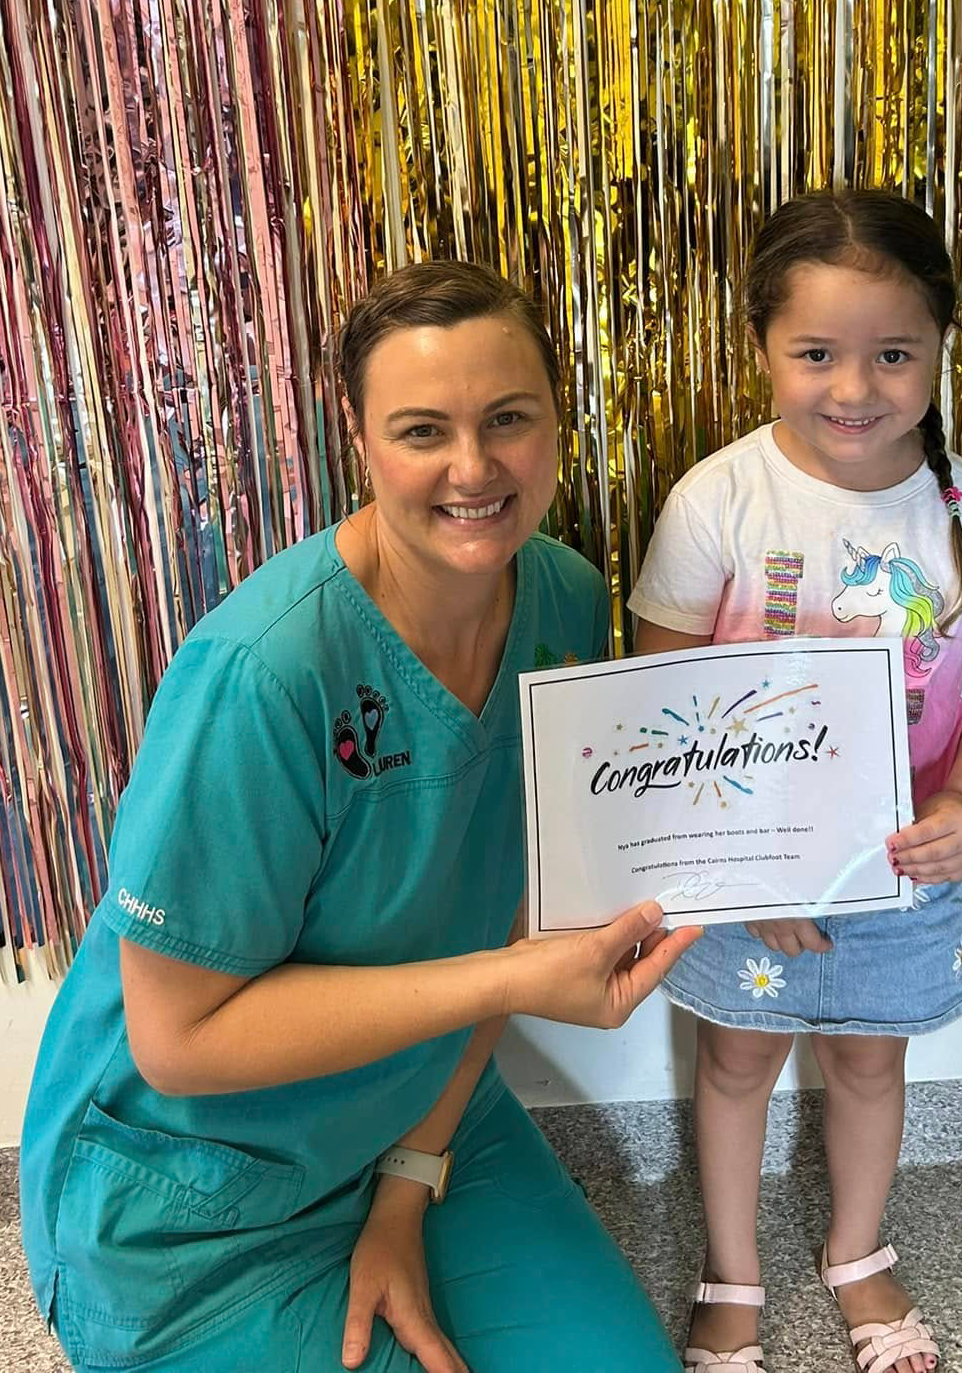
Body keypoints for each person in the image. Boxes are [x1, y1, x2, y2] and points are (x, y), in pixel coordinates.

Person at [20, 261, 702, 1373]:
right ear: (360, 436)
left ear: (558, 421)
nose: (473, 467)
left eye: (509, 419)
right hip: (189, 1199)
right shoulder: (263, 672)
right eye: (423, 429)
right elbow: (175, 1040)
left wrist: (409, 1179)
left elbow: (507, 894)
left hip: (418, 1102)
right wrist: (512, 978)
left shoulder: (569, 601)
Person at [628, 189, 962, 1373]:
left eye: (893, 354)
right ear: (762, 345)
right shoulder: (719, 499)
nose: (855, 387)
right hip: (744, 871)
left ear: (939, 349)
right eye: (816, 352)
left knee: (873, 1059)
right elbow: (662, 708)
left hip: (902, 869)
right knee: (734, 1060)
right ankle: (732, 1271)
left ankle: (859, 1253)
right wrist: (740, 863)